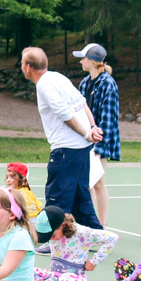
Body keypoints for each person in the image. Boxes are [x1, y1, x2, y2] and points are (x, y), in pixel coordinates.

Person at [19, 47, 103, 230]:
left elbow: (65, 114)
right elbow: (82, 103)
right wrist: (92, 127)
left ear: (27, 67)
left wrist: (87, 132)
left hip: (66, 150)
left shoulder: (44, 85)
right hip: (80, 149)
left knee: (56, 197)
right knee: (81, 197)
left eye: (22, 63)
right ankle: (95, 234)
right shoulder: (58, 77)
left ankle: (52, 240)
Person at [32, 205, 119, 281]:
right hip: (54, 275)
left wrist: (94, 261)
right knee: (29, 271)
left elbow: (113, 238)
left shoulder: (82, 232)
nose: (51, 239)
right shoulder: (56, 234)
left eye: (53, 235)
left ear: (63, 225)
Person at [75, 43, 121, 226]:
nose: (81, 61)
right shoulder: (85, 83)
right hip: (85, 140)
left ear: (92, 62)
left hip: (100, 144)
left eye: (83, 58)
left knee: (98, 184)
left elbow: (108, 120)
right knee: (86, 185)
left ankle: (101, 226)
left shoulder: (108, 84)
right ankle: (90, 223)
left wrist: (99, 147)